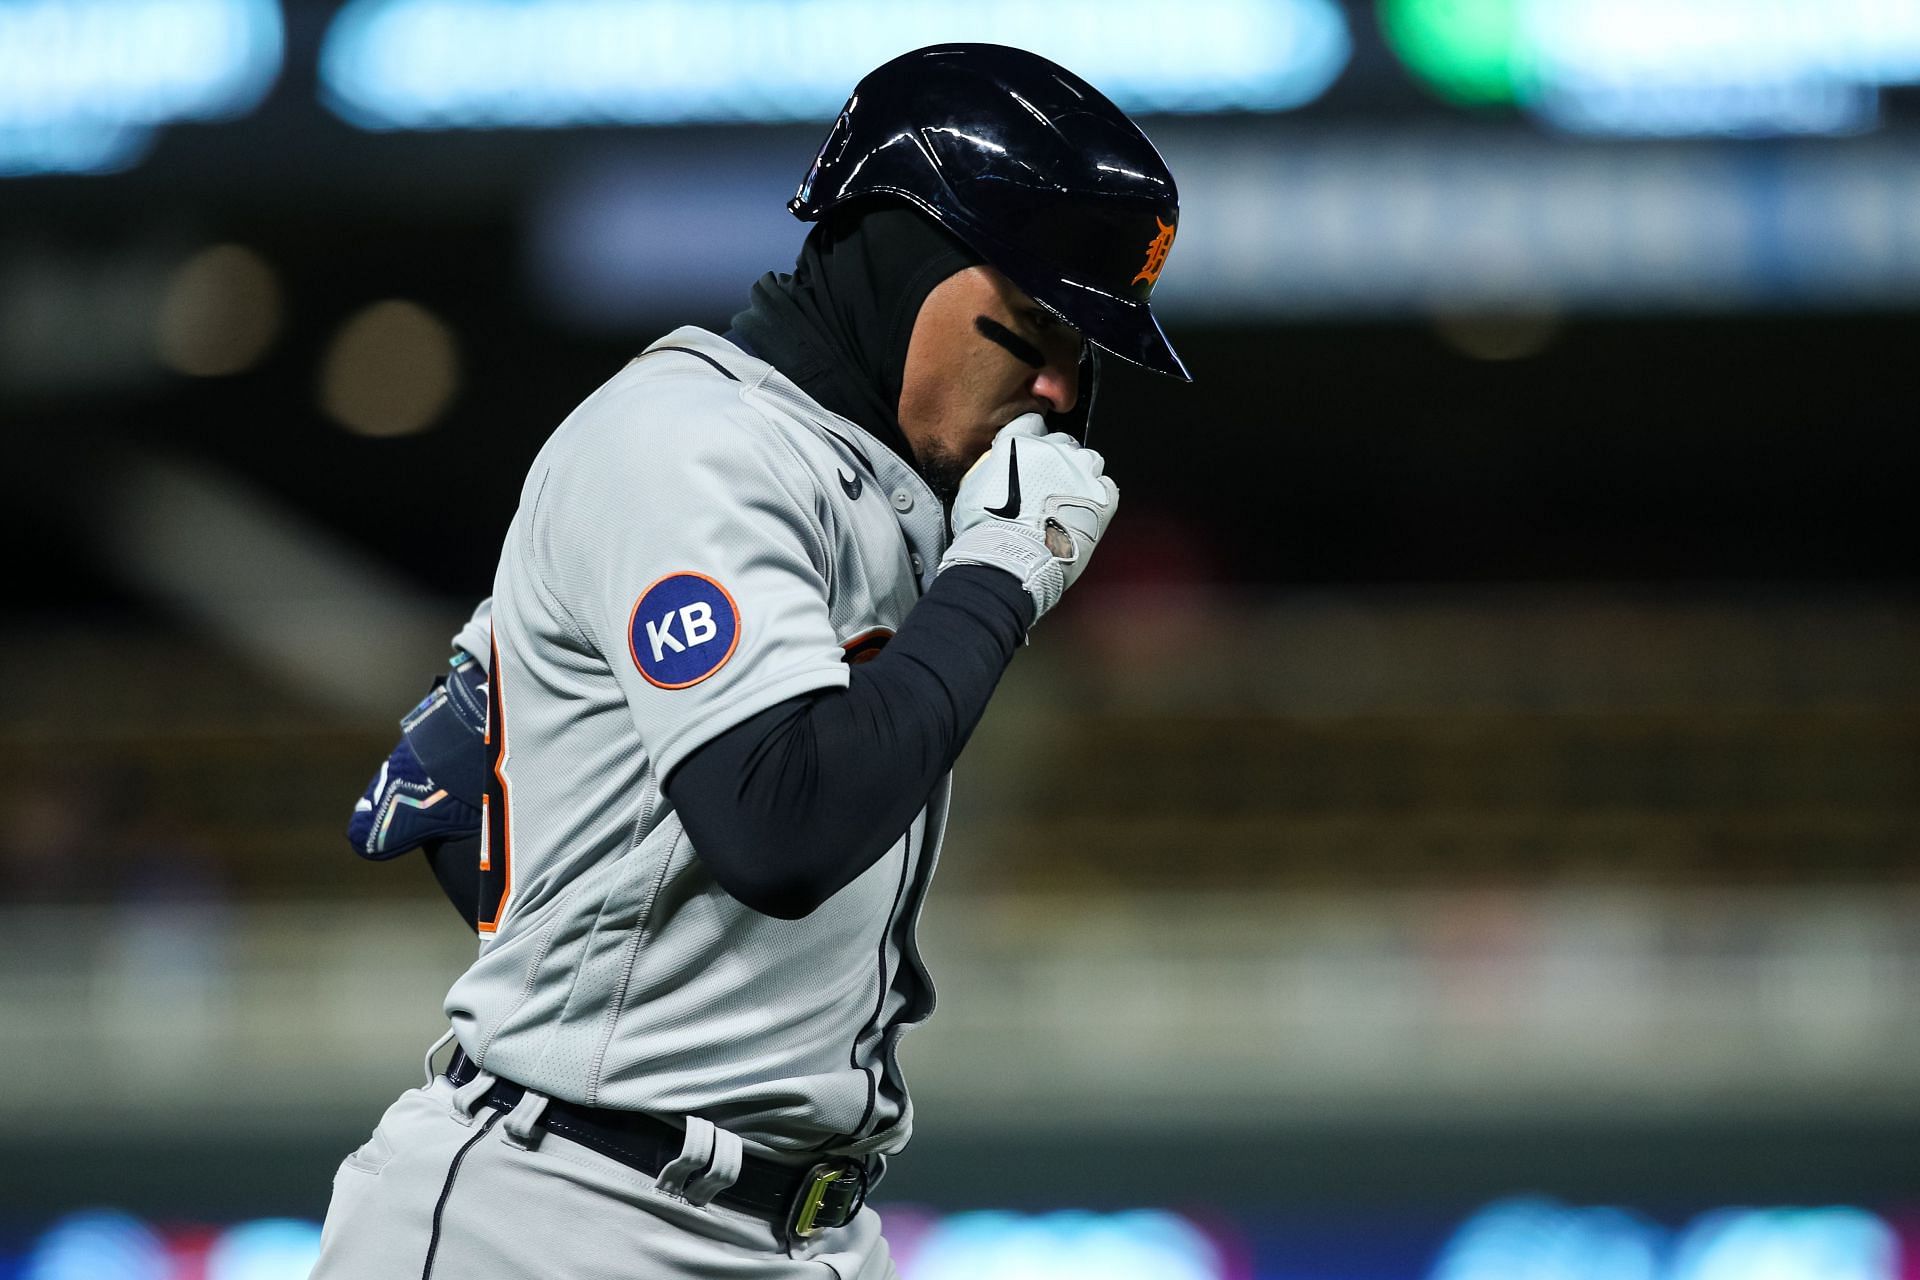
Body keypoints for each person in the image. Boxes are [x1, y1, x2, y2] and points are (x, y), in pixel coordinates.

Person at [316, 42, 1190, 1280]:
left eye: (1083, 351)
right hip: (565, 1213)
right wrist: (1001, 574)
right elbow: (783, 827)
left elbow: (448, 786)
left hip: (805, 1227)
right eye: (1038, 327)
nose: (1057, 384)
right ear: (906, 253)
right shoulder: (699, 441)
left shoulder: (881, 488)